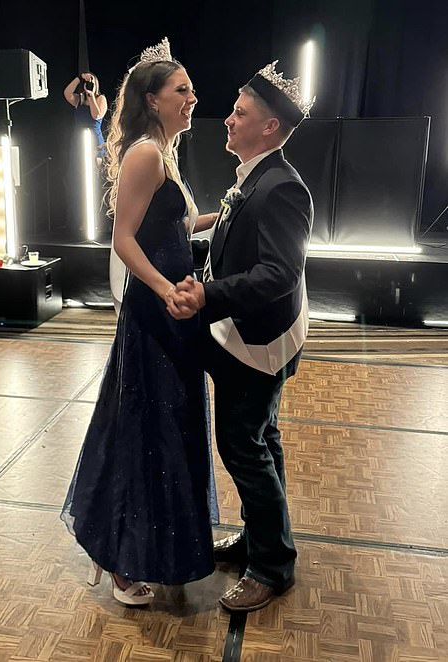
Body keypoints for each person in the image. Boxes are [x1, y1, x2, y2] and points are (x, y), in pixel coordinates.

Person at [61, 38, 219, 606]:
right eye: (183, 90)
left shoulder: (163, 152)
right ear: (153, 101)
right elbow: (124, 239)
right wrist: (164, 289)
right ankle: (122, 559)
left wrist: (223, 215)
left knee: (166, 433)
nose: (193, 97)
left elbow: (172, 229)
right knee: (141, 434)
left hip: (175, 313)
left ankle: (151, 548)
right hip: (157, 314)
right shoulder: (145, 155)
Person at [168, 61, 315, 612]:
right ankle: (262, 540)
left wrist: (207, 296)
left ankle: (273, 567)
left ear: (270, 127)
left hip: (257, 343)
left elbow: (279, 275)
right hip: (243, 333)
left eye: (240, 113)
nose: (227, 119)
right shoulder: (255, 176)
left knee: (243, 446)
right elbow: (236, 248)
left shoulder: (281, 188)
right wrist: (196, 264)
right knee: (261, 440)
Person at [63, 72, 108, 161]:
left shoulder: (101, 98)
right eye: (86, 83)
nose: (89, 84)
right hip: (79, 141)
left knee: (95, 171)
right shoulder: (79, 99)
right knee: (78, 170)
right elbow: (67, 93)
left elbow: (96, 115)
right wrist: (80, 78)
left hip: (95, 142)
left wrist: (91, 95)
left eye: (91, 82)